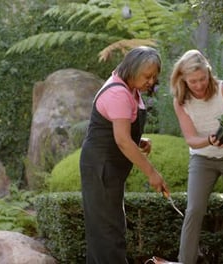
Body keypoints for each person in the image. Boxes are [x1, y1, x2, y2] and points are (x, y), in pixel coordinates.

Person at [80, 46, 169, 264]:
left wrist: (138, 140)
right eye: (147, 76)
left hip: (109, 170)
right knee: (107, 233)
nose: (151, 81)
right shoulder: (118, 93)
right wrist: (152, 173)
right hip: (101, 167)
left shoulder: (129, 88)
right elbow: (121, 140)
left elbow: (120, 129)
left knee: (109, 228)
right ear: (132, 68)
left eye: (154, 77)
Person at [170, 49, 223, 264]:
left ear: (209, 73)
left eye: (202, 79)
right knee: (194, 210)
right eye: (193, 81)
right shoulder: (180, 102)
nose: (199, 85)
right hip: (203, 159)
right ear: (183, 80)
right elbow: (190, 138)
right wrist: (210, 140)